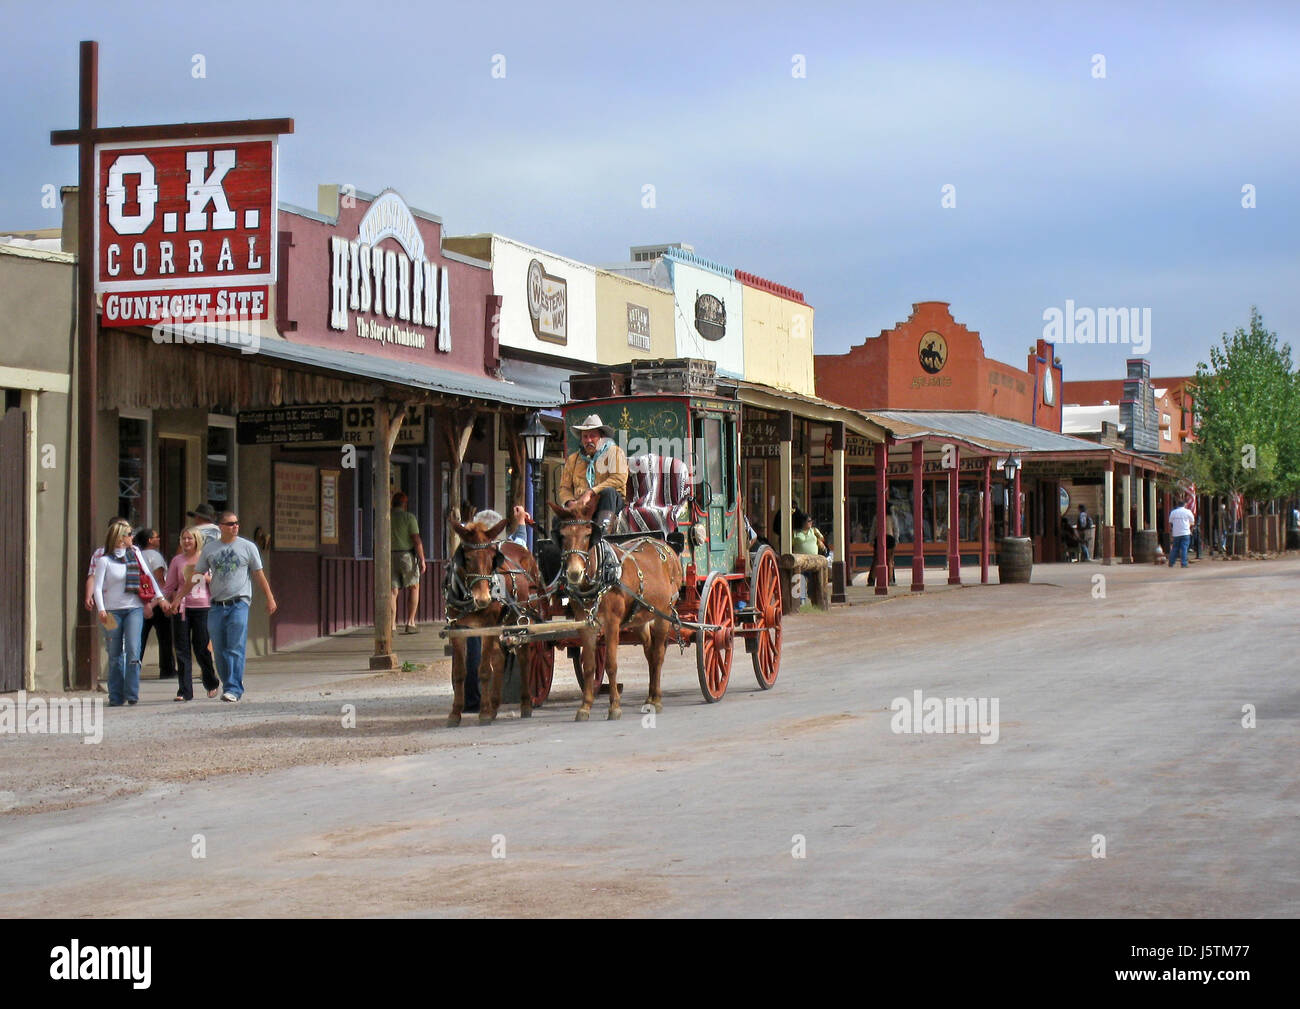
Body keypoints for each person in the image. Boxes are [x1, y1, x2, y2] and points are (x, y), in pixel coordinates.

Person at [196, 510, 277, 702]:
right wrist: (178, 597)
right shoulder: (210, 549)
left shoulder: (248, 547)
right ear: (221, 527)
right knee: (219, 647)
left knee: (235, 646)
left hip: (239, 602)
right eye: (231, 523)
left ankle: (234, 688)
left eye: (237, 523)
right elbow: (197, 574)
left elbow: (258, 573)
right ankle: (228, 684)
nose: (235, 526)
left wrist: (270, 597)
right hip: (216, 604)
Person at [92, 518, 168, 706]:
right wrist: (101, 609)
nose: (132, 537)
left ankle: (132, 692)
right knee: (114, 652)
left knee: (134, 649)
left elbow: (148, 576)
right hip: (111, 611)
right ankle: (116, 695)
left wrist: (160, 598)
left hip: (134, 607)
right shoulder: (104, 560)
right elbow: (97, 587)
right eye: (128, 534)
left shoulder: (135, 553)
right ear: (119, 537)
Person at [164, 527, 220, 701]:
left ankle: (211, 682)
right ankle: (184, 691)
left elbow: (218, 583)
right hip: (182, 608)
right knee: (182, 650)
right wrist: (164, 601)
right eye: (183, 538)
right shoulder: (177, 561)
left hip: (203, 607)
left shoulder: (207, 558)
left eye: (190, 538)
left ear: (197, 540)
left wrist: (205, 577)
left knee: (201, 648)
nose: (186, 541)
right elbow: (169, 585)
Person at [559, 413, 628, 540]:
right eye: (585, 436)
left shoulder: (614, 452)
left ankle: (602, 536)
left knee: (608, 492)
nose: (588, 440)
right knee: (556, 519)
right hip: (581, 506)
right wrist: (570, 502)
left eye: (592, 436)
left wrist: (591, 492)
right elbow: (564, 488)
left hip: (609, 502)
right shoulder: (573, 459)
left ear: (601, 437)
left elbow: (619, 478)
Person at [134, 528, 176, 681]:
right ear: (150, 540)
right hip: (156, 602)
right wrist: (167, 599)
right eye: (156, 537)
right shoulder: (155, 556)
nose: (159, 539)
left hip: (141, 601)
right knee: (165, 636)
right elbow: (160, 580)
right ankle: (167, 669)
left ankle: (134, 668)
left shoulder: (137, 555)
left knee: (140, 637)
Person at [390, 491, 426, 635]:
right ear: (404, 504)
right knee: (413, 587)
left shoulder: (387, 517)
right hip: (406, 556)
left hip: (389, 555)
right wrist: (422, 559)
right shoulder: (409, 517)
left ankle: (391, 625)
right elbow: (416, 539)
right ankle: (410, 622)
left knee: (393, 591)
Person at [1168, 500, 1195, 569]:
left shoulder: (1173, 512)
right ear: (1184, 505)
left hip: (1176, 533)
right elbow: (1192, 521)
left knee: (1175, 548)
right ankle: (1183, 563)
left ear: (1177, 505)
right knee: (1184, 548)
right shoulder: (1188, 512)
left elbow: (1170, 521)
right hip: (1185, 532)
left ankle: (1171, 562)